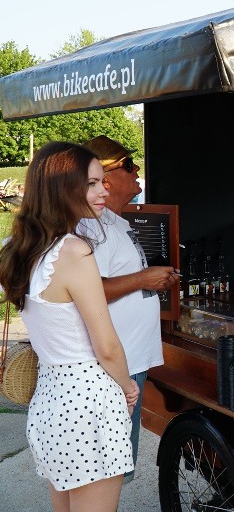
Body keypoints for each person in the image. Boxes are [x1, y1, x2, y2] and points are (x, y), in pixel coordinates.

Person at [0, 142, 139, 512]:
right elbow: (106, 345)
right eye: (93, 183)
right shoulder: (73, 251)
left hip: (49, 402)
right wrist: (127, 387)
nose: (103, 190)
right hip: (90, 401)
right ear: (64, 187)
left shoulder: (17, 247)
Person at [78, 135, 179, 483]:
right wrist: (143, 279)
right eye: (128, 165)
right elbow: (89, 292)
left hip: (128, 364)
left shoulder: (117, 223)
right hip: (111, 369)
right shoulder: (92, 227)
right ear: (104, 178)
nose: (137, 171)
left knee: (119, 467)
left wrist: (150, 280)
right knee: (107, 473)